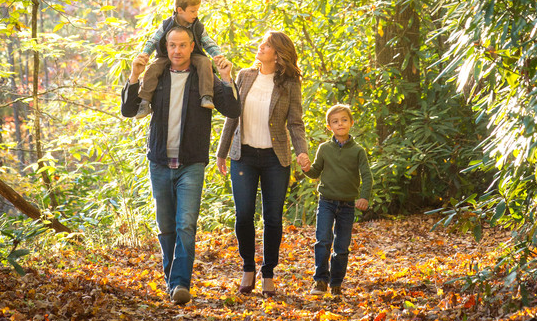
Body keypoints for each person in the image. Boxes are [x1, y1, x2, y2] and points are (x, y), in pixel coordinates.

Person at [121, 24, 239, 305]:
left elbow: (232, 110)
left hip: (191, 162)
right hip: (159, 161)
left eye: (183, 45)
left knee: (186, 224)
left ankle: (181, 284)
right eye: (172, 45)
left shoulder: (204, 75)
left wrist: (226, 78)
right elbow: (128, 110)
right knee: (166, 227)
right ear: (166, 47)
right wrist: (134, 75)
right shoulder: (157, 74)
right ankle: (172, 282)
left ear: (191, 46)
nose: (177, 50)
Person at [216, 30, 308, 298]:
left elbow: (295, 122)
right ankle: (247, 268)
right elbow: (232, 116)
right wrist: (222, 153)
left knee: (273, 218)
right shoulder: (245, 76)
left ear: (278, 54)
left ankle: (268, 273)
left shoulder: (289, 84)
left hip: (274, 159)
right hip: (243, 155)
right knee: (244, 214)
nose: (261, 47)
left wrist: (302, 152)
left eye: (267, 45)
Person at [297, 103, 371, 298]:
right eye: (335, 122)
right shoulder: (324, 148)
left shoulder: (358, 151)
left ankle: (336, 283)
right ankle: (320, 281)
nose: (340, 124)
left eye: (344, 120)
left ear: (351, 123)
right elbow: (315, 172)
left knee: (342, 247)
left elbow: (367, 176)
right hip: (326, 202)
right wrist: (305, 168)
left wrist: (364, 196)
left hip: (347, 205)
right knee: (323, 240)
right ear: (329, 126)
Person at [136, 0, 227, 114]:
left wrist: (217, 55)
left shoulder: (198, 26)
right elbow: (154, 40)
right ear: (180, 10)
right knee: (154, 67)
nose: (195, 14)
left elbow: (208, 42)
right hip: (167, 55)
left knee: (205, 62)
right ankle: (145, 101)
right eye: (192, 11)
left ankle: (206, 96)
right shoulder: (167, 24)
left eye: (197, 11)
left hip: (192, 54)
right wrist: (145, 53)